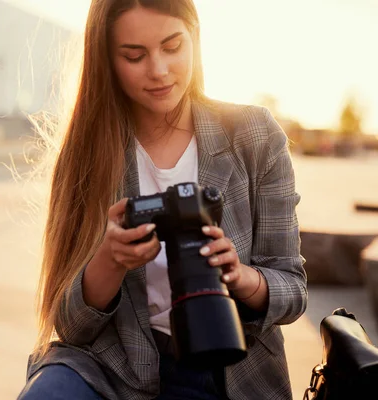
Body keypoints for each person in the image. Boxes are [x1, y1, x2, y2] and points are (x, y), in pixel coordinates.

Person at [18, 0, 308, 399]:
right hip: (116, 370)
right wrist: (111, 259)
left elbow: (293, 289)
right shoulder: (88, 151)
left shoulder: (253, 135)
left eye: (172, 47)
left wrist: (241, 278)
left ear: (195, 39)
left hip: (230, 368)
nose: (158, 70)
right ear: (106, 59)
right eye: (134, 56)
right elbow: (71, 326)